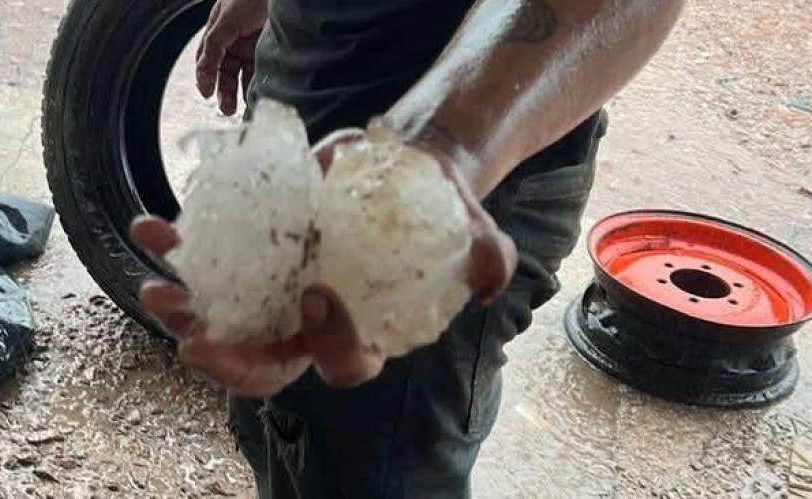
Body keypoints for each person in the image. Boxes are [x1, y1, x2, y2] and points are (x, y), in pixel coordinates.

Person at [130, 0, 685, 497]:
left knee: (370, 465)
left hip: (442, 180)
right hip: (305, 106)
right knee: (278, 431)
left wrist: (429, 155)